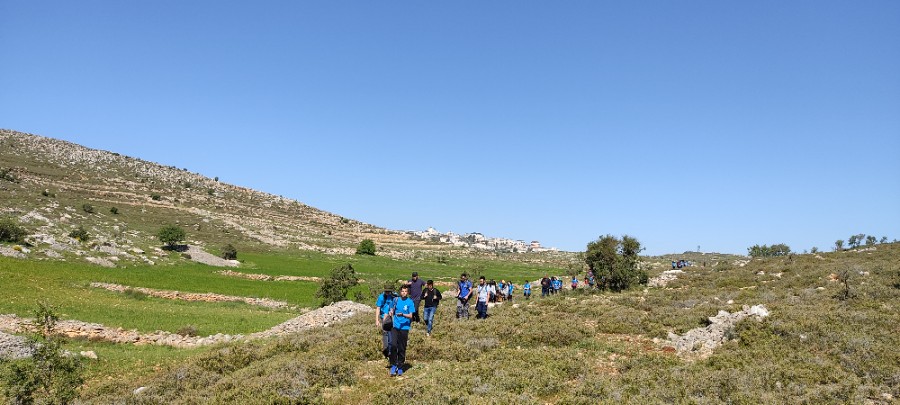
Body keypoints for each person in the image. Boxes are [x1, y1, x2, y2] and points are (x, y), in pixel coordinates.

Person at [389, 284, 414, 377]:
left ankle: (400, 366)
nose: (403, 293)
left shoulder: (410, 302)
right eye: (402, 291)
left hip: (405, 327)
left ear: (407, 293)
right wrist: (391, 312)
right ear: (400, 292)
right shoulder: (396, 300)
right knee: (393, 345)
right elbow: (391, 308)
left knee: (402, 347)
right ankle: (393, 365)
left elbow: (411, 315)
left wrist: (403, 315)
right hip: (395, 326)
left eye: (405, 291)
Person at [375, 283, 396, 364]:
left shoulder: (395, 296)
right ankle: (386, 349)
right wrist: (377, 320)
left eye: (389, 291)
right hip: (384, 317)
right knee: (385, 333)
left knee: (392, 333)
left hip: (392, 317)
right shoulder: (381, 297)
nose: (387, 293)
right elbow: (378, 308)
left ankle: (391, 350)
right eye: (386, 291)